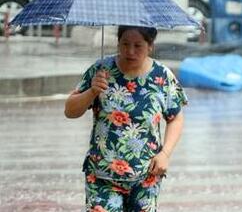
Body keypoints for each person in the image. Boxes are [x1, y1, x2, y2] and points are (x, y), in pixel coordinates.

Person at [64, 26, 188, 212]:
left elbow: (175, 118)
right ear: (118, 43)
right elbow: (70, 111)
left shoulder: (162, 76)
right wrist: (92, 91)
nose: (130, 51)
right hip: (102, 175)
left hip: (146, 176)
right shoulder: (100, 70)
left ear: (150, 46)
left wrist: (165, 154)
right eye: (125, 44)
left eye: (138, 45)